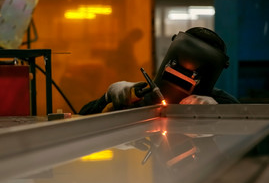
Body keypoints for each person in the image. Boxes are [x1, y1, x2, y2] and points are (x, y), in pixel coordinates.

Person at [79, 27, 239, 115]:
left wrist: (217, 112)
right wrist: (108, 97)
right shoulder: (140, 95)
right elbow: (82, 116)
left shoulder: (223, 103)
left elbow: (247, 145)